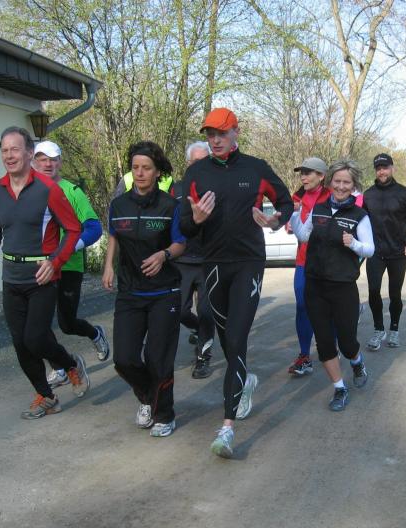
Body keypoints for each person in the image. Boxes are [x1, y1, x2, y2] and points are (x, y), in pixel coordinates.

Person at [180, 107, 293, 459]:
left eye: (221, 133)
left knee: (236, 337)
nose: (215, 140)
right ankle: (246, 381)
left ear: (235, 133)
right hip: (213, 266)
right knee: (228, 340)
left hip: (248, 264)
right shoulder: (196, 172)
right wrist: (196, 219)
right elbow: (184, 226)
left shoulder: (256, 168)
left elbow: (286, 202)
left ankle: (226, 428)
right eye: (210, 134)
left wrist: (275, 221)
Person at [0, 126, 89, 419]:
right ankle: (46, 396)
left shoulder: (47, 189)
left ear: (28, 153)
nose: (9, 155)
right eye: (4, 150)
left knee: (35, 338)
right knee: (20, 343)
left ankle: (70, 364)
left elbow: (73, 229)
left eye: (15, 149)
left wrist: (55, 262)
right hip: (11, 277)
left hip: (42, 276)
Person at [102, 141, 186, 438]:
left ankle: (164, 414)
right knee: (124, 359)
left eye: (146, 168)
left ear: (157, 171)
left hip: (164, 292)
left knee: (157, 357)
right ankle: (149, 396)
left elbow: (180, 243)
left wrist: (163, 255)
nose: (139, 173)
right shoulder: (119, 205)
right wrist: (108, 265)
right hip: (130, 292)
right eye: (135, 167)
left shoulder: (170, 206)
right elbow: (114, 235)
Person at [290, 159, 374, 410]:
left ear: (353, 185)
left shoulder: (360, 216)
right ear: (330, 182)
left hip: (343, 287)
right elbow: (303, 235)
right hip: (315, 286)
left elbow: (370, 249)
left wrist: (354, 244)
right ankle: (339, 388)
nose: (340, 186)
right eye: (337, 181)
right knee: (325, 343)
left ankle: (357, 362)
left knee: (347, 343)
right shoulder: (318, 208)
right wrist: (294, 214)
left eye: (346, 182)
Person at [32, 141, 110, 389]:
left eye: (53, 159)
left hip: (68, 267)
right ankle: (60, 368)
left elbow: (94, 228)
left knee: (67, 324)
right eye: (42, 159)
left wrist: (69, 248)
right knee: (38, 325)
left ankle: (95, 333)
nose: (48, 164)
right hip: (40, 267)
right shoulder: (29, 191)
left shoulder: (72, 191)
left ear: (60, 163)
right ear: (34, 162)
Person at [362, 153, 406, 351]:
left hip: (398, 253)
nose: (382, 171)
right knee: (373, 291)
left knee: (394, 294)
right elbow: (360, 222)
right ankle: (378, 329)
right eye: (378, 168)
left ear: (392, 168)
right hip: (375, 253)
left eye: (385, 167)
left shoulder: (405, 194)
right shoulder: (368, 195)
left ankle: (394, 329)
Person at [173, 141, 215, 379]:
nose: (199, 166)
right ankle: (198, 328)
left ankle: (203, 359)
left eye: (203, 161)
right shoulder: (176, 189)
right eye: (194, 162)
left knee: (207, 312)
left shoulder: (219, 187)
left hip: (210, 261)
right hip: (182, 260)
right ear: (188, 164)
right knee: (178, 311)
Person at [287, 157, 330, 377]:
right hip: (303, 261)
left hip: (328, 263)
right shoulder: (296, 198)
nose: (303, 177)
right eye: (301, 173)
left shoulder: (332, 196)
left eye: (308, 173)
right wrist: (288, 219)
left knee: (328, 307)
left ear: (321, 176)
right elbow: (291, 226)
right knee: (302, 305)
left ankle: (331, 348)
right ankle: (304, 356)